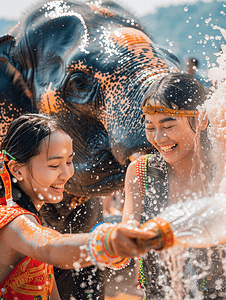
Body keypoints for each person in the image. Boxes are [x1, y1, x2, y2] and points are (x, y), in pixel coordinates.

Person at [0, 113, 157, 299]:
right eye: (54, 165)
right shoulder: (13, 221)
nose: (66, 174)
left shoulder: (29, 216)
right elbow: (51, 247)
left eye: (69, 162)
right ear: (17, 170)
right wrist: (107, 242)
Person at [122, 72, 226, 299]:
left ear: (201, 119)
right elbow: (125, 247)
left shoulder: (222, 165)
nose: (158, 138)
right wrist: (118, 249)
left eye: (168, 125)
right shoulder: (140, 172)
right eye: (150, 127)